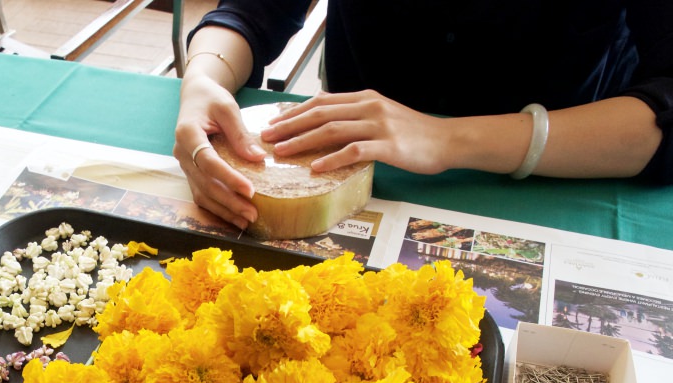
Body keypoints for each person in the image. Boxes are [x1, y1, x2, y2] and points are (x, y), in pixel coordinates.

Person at [174, 1, 673, 231]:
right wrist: (203, 80)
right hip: (351, 167)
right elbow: (251, 11)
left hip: (567, 165)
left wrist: (448, 140)